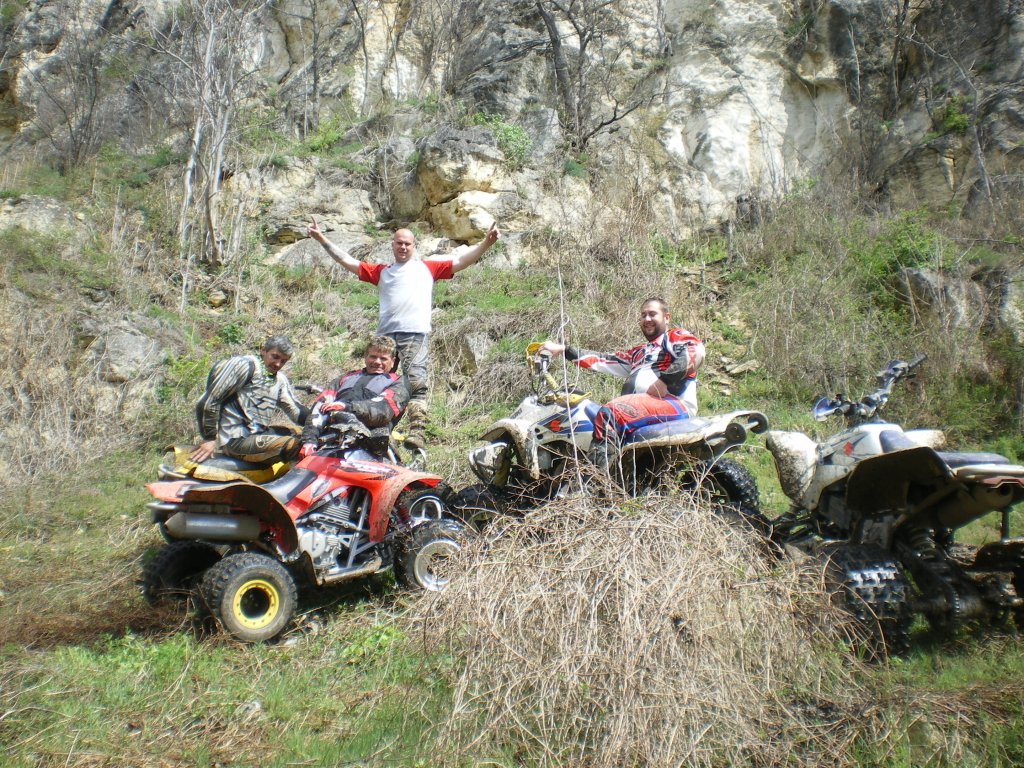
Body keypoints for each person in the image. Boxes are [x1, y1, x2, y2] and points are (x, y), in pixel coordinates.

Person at [307, 216, 501, 450]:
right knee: (376, 381)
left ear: (414, 246)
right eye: (399, 243)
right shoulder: (382, 272)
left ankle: (417, 431)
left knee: (415, 381)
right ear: (392, 245)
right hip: (385, 337)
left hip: (414, 333)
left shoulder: (427, 268)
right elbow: (347, 260)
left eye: (407, 243)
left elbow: (461, 260)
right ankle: (374, 428)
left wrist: (487, 243)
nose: (403, 247)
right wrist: (321, 238)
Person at [539, 297, 705, 467]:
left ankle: (595, 479)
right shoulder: (638, 352)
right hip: (642, 409)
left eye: (652, 314)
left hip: (673, 403)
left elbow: (696, 352)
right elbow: (603, 359)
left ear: (666, 317)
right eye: (643, 315)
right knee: (586, 414)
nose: (647, 319)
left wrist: (664, 381)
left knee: (611, 413)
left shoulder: (673, 337)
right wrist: (564, 350)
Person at [190, 336, 310, 464]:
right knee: (298, 446)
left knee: (303, 435)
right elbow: (208, 401)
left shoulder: (280, 380)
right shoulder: (244, 366)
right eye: (275, 357)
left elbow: (295, 410)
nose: (278, 364)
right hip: (234, 440)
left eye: (283, 361)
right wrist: (210, 438)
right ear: (263, 350)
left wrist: (320, 418)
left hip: (258, 433)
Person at [314, 335, 410, 458]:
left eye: (383, 358)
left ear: (392, 361)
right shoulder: (346, 377)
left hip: (372, 445)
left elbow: (383, 410)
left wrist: (347, 407)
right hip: (329, 438)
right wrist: (309, 440)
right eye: (373, 356)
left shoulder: (399, 382)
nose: (377, 362)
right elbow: (319, 407)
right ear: (365, 356)